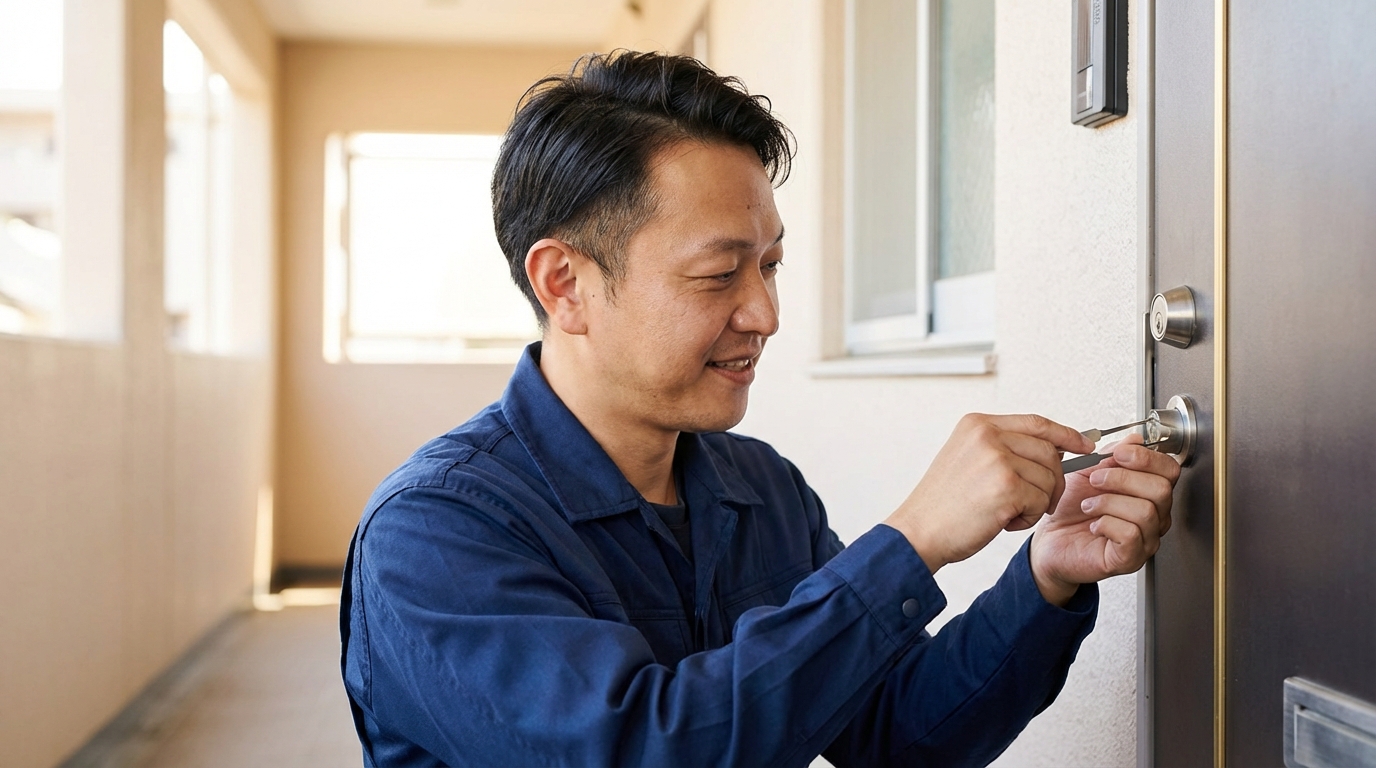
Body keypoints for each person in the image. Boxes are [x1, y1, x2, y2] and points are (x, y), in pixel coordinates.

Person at [340, 51, 1179, 767]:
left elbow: (896, 735)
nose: (765, 315)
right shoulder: (434, 534)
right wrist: (912, 542)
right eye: (718, 275)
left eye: (770, 267)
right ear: (566, 284)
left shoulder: (759, 488)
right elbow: (645, 748)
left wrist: (1046, 579)